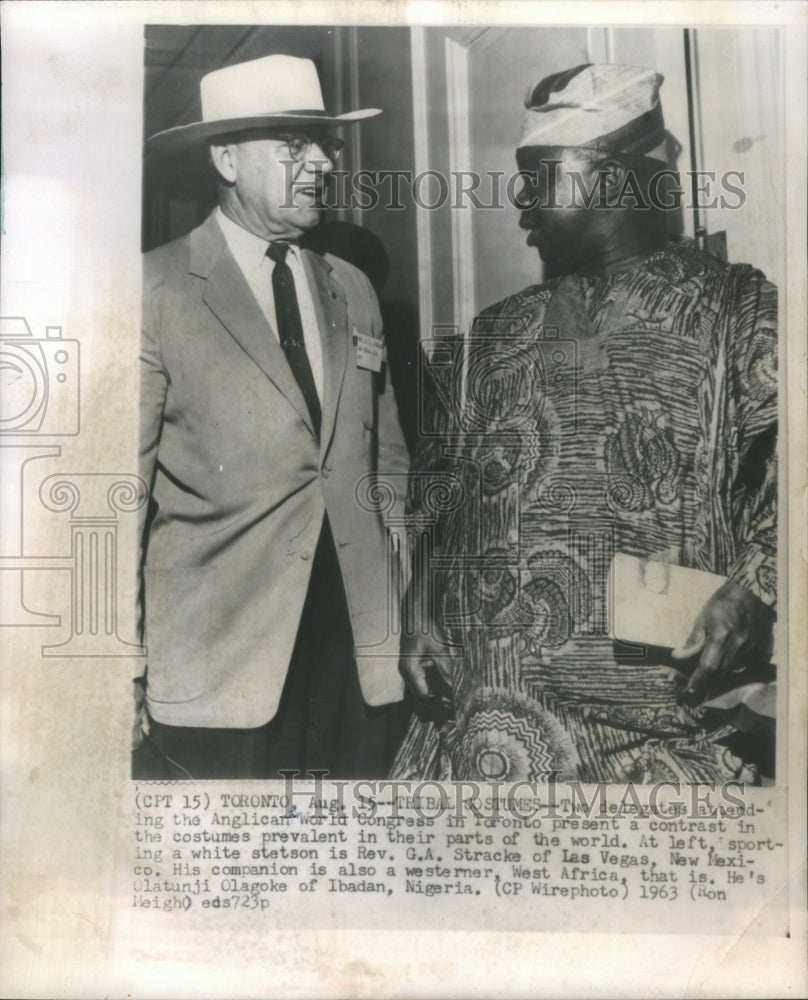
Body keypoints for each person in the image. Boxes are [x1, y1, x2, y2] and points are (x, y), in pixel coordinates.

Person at [394, 63, 777, 784]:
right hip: (486, 727)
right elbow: (441, 493)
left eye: (539, 177)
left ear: (605, 180)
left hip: (659, 734)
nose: (521, 204)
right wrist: (419, 609)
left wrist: (752, 588)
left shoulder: (741, 314)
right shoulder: (495, 332)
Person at [134, 54, 410, 780]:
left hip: (354, 652)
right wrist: (115, 662)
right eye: (293, 146)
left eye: (325, 146)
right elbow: (115, 494)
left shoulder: (351, 285)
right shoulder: (152, 289)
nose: (320, 163)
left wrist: (407, 614)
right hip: (217, 663)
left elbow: (387, 463)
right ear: (226, 159)